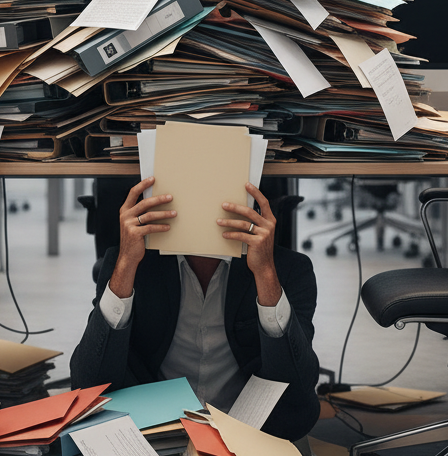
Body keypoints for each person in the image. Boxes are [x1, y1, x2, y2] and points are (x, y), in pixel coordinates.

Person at [70, 176, 320, 441]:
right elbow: (87, 383)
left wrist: (265, 274)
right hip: (156, 430)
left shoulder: (289, 270)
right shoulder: (130, 263)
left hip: (247, 433)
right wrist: (125, 265)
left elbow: (298, 391)